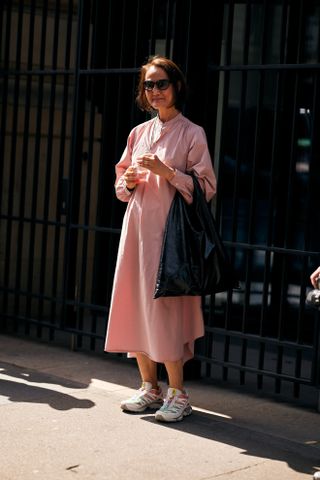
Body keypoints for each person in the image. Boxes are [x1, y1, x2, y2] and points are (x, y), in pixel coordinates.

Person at [104, 55, 216, 423]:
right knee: (136, 301)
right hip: (136, 231)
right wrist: (130, 181)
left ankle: (178, 391)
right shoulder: (138, 133)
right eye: (149, 85)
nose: (155, 91)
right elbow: (121, 185)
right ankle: (148, 386)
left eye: (161, 84)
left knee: (166, 307)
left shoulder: (191, 133)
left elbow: (207, 187)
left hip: (171, 237)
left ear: (177, 86)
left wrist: (167, 172)